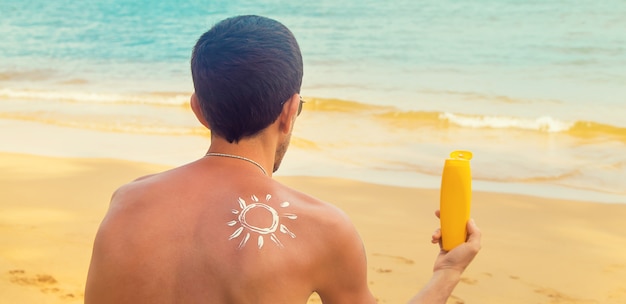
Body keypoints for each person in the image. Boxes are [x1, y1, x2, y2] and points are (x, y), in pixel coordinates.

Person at [84, 15, 481, 303]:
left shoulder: (126, 203)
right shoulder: (323, 228)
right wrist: (447, 272)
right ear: (289, 111)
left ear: (199, 109)